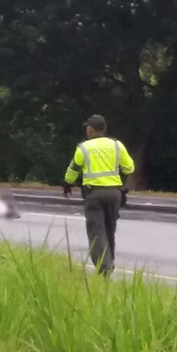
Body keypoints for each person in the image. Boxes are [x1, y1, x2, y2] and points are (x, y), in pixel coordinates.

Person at [62, 115, 135, 275]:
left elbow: (74, 169)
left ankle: (104, 268)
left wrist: (68, 184)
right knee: (110, 229)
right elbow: (129, 168)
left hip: (93, 194)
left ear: (90, 129)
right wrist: (121, 182)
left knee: (96, 230)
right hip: (115, 194)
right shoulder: (117, 145)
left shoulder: (84, 148)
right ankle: (110, 262)